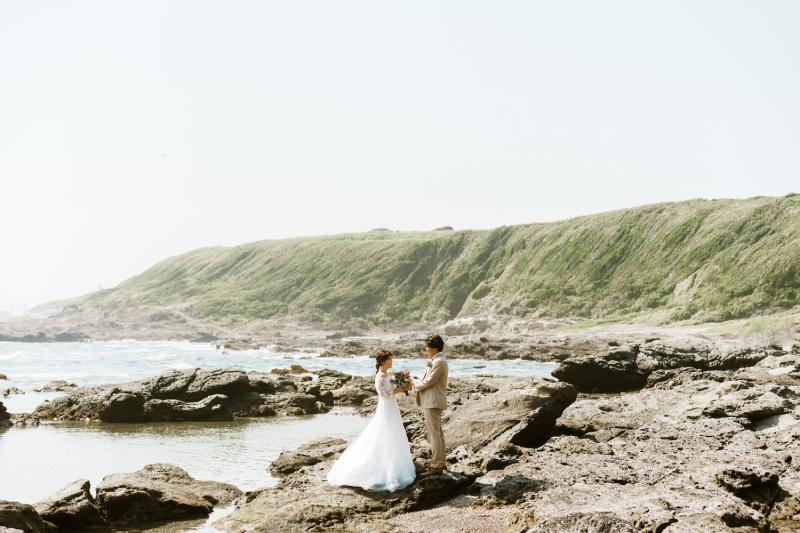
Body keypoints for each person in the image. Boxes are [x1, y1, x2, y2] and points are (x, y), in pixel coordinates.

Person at [327, 350, 416, 492]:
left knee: (394, 433)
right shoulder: (380, 375)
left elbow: (394, 385)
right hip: (385, 407)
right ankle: (381, 468)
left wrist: (404, 384)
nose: (391, 361)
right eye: (389, 359)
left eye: (391, 358)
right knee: (385, 433)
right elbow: (382, 393)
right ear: (382, 361)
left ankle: (395, 465)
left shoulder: (389, 373)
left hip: (392, 406)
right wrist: (399, 390)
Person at [413, 334, 449, 477]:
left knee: (434, 435)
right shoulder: (437, 360)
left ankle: (436, 466)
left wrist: (413, 387)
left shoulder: (439, 361)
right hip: (433, 401)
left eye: (428, 347)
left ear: (434, 348)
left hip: (433, 402)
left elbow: (429, 382)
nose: (426, 349)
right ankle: (440, 462)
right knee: (438, 434)